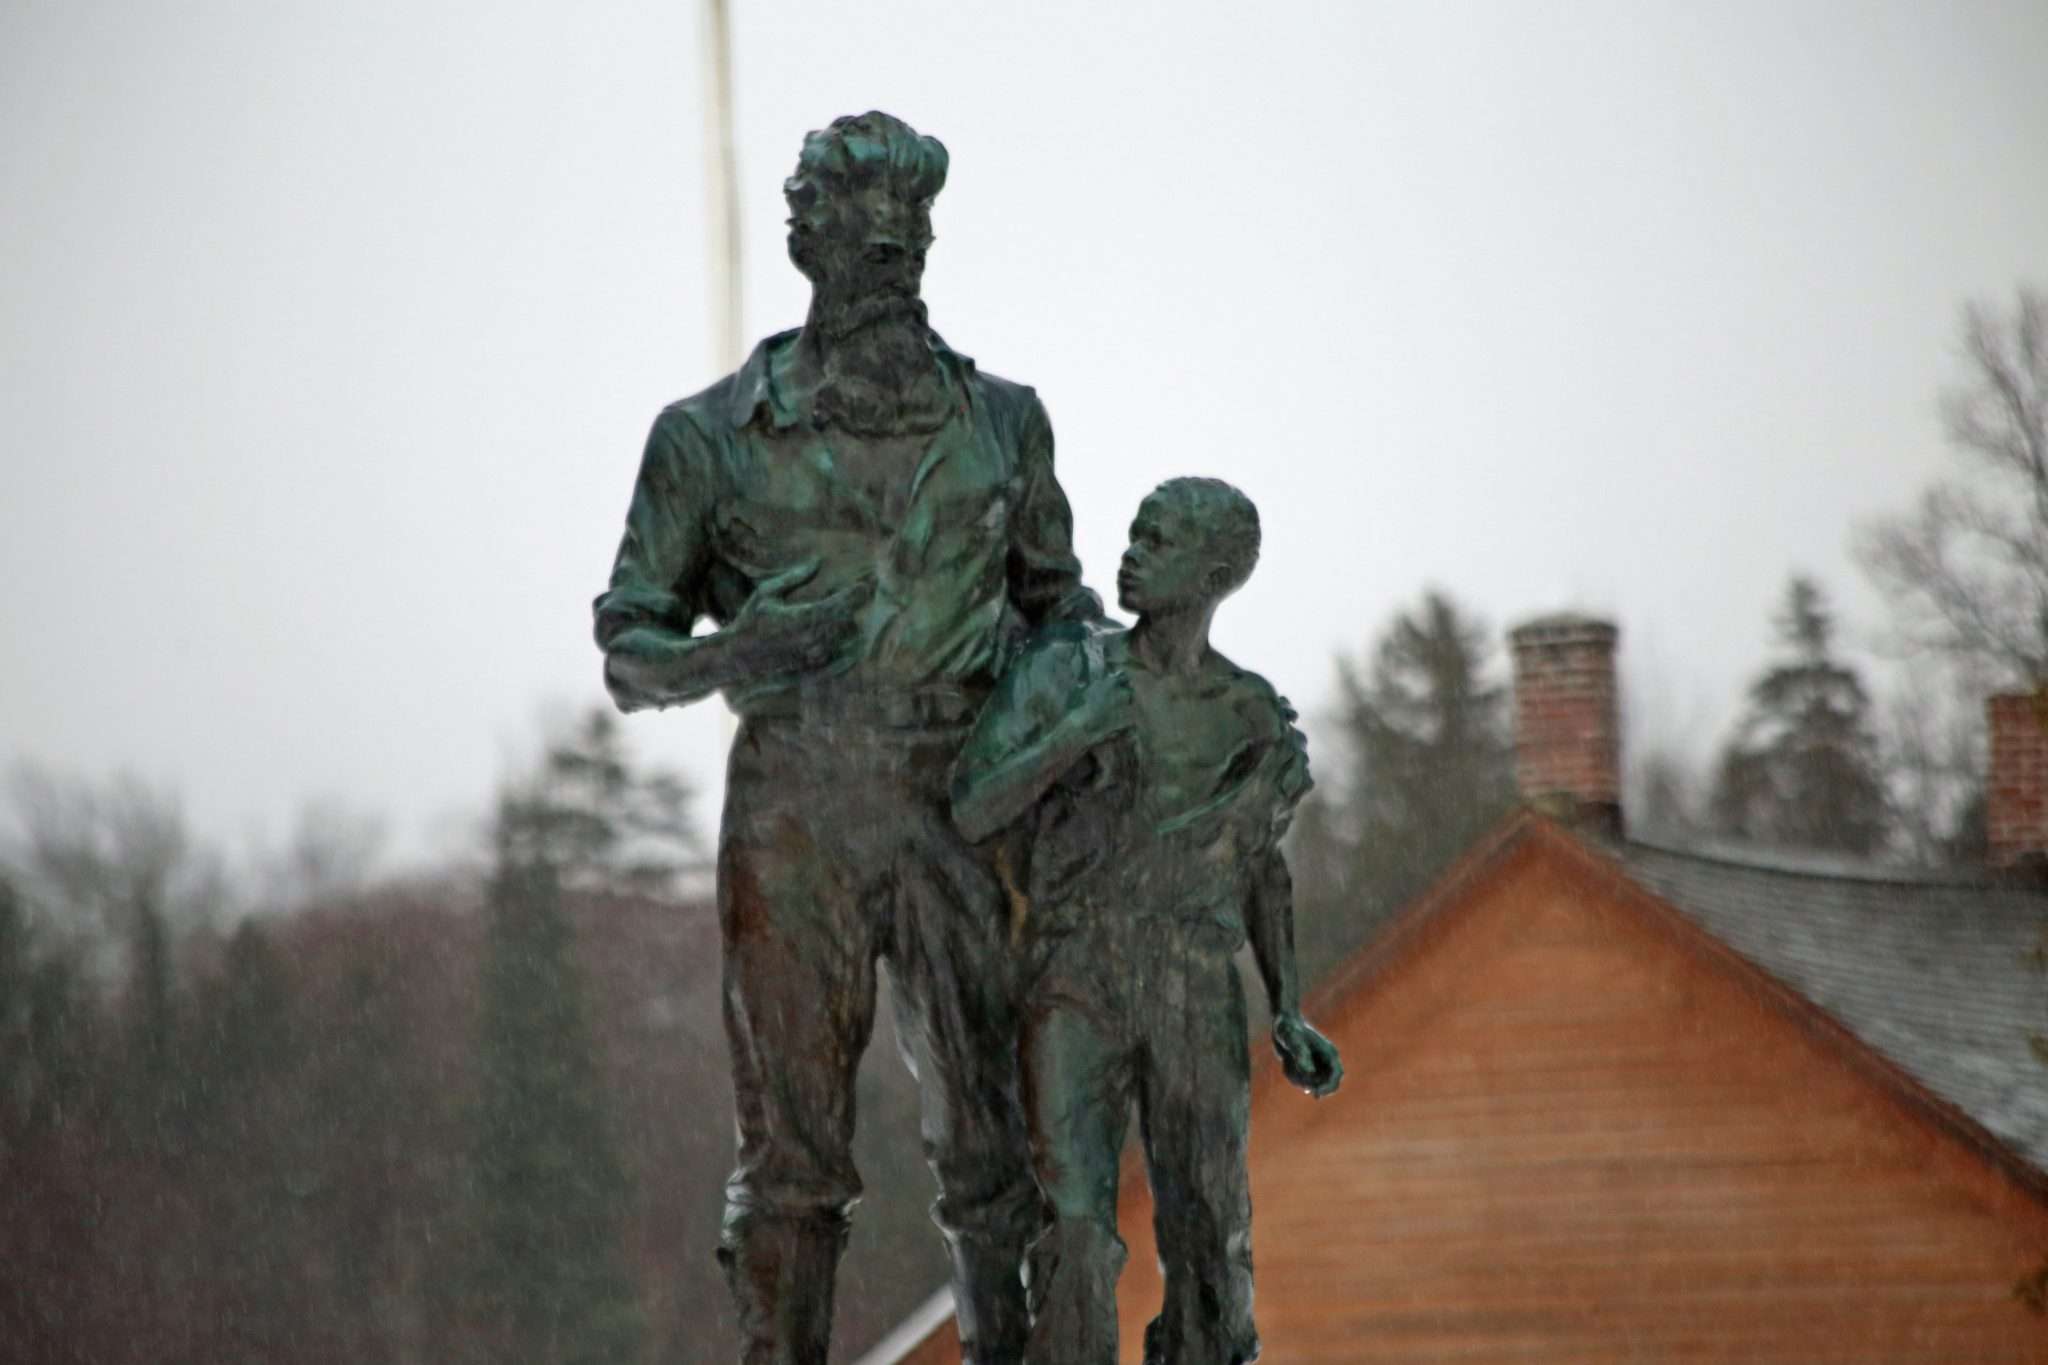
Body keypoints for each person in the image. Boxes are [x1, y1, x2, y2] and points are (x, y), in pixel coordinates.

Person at [592, 112, 1102, 1365]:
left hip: (961, 799)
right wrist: (729, 655)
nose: (887, 251)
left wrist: (1064, 701)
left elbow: (1063, 611)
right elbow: (628, 647)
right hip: (793, 807)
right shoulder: (708, 437)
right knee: (791, 1161)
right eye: (858, 229)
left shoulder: (1003, 424)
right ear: (801, 239)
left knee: (996, 1148)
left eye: (906, 231)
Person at [951, 477, 1343, 1365]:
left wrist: (1286, 1003)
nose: (1130, 553)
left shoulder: (1249, 714)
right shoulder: (1064, 671)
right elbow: (972, 805)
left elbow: (1259, 868)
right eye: (1133, 533)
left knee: (1210, 1231)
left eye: (1156, 542)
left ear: (1212, 575)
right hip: (1076, 974)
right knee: (1078, 1226)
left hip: (1192, 982)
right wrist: (1072, 733)